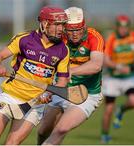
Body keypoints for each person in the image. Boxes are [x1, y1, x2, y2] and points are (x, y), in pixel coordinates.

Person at [0, 6, 69, 145]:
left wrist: (49, 93)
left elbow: (63, 81)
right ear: (44, 24)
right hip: (11, 95)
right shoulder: (24, 39)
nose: (61, 29)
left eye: (63, 25)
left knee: (11, 144)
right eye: (57, 24)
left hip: (35, 103)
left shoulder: (63, 50)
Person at [37, 7, 105, 145]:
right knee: (42, 131)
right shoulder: (58, 38)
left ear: (84, 26)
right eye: (70, 30)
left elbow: (96, 65)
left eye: (78, 29)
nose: (74, 34)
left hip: (86, 94)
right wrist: (49, 89)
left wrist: (70, 72)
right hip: (61, 90)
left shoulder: (94, 37)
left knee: (61, 129)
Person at [101, 14, 134, 143]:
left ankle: (121, 110)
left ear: (129, 27)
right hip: (113, 78)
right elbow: (106, 60)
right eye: (120, 26)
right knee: (108, 110)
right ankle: (104, 135)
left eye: (125, 27)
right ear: (117, 26)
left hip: (129, 78)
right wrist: (119, 67)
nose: (123, 29)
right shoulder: (112, 39)